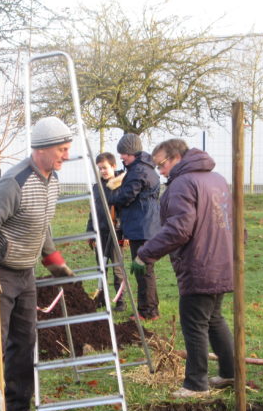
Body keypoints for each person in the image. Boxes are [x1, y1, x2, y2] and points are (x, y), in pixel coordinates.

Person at [0, 116, 75, 411]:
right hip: (0, 273)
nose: (66, 156)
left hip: (26, 272)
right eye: (62, 149)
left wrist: (52, 258)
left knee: (25, 342)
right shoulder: (14, 182)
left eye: (68, 149)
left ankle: (16, 408)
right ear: (42, 149)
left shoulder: (52, 180)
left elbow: (42, 223)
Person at [134, 139, 236, 397]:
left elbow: (178, 229)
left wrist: (145, 254)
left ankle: (195, 384)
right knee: (214, 318)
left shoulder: (182, 184)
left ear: (177, 157)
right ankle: (229, 372)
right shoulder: (217, 180)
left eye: (162, 164)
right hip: (222, 262)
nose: (160, 171)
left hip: (199, 263)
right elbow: (235, 223)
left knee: (194, 323)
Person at [107, 133, 161, 320]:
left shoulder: (138, 171)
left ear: (133, 152)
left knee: (142, 270)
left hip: (142, 226)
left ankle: (147, 311)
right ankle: (151, 309)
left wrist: (111, 197)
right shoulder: (145, 168)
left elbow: (127, 196)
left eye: (124, 153)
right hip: (147, 225)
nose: (121, 156)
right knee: (146, 270)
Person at [86, 152, 126, 310]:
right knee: (101, 267)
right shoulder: (96, 188)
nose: (102, 171)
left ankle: (120, 301)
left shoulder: (121, 185)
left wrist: (125, 232)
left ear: (114, 166)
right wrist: (90, 231)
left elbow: (124, 210)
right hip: (100, 233)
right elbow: (93, 211)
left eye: (105, 167)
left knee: (117, 269)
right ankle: (102, 299)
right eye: (100, 168)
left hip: (116, 233)